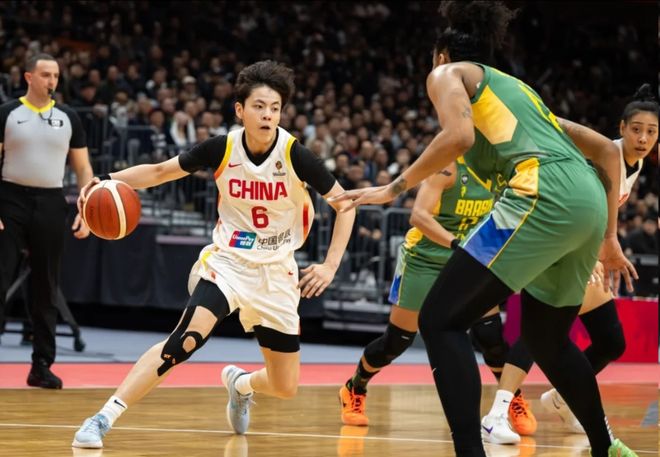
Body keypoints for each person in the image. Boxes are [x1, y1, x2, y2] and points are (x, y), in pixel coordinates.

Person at [330, 3, 638, 456]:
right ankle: (606, 447)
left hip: (542, 192)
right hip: (588, 202)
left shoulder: (445, 73)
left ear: (441, 55)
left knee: (439, 320)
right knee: (548, 341)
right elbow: (608, 153)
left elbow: (459, 137)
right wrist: (609, 237)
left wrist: (393, 187)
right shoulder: (520, 94)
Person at [72, 60, 356, 449]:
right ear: (240, 110)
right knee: (185, 340)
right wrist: (105, 181)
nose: (267, 115)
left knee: (285, 386)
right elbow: (160, 172)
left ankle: (240, 384)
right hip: (228, 262)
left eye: (274, 108)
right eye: (259, 106)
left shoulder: (295, 154)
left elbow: (345, 205)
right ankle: (103, 418)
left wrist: (330, 265)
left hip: (277, 272)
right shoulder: (222, 148)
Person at [482, 83, 659, 440]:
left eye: (651, 132)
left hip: (581, 249)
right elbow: (576, 206)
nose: (643, 138)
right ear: (621, 128)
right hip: (556, 243)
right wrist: (589, 253)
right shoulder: (602, 156)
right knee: (543, 328)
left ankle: (563, 399)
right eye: (636, 129)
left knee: (610, 341)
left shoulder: (635, 165)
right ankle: (496, 414)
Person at [339, 156, 533, 443]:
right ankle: (355, 387)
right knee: (397, 342)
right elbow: (418, 216)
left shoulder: (500, 169)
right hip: (426, 258)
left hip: (469, 258)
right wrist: (457, 244)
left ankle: (509, 400)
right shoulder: (448, 167)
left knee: (490, 336)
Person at [0, 53, 92, 389]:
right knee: (0, 280)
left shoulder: (69, 117)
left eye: (55, 75)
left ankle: (41, 365)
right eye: (45, 74)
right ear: (29, 77)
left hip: (51, 202)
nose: (52, 80)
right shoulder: (8, 113)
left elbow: (83, 168)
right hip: (10, 199)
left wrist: (86, 210)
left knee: (46, 287)